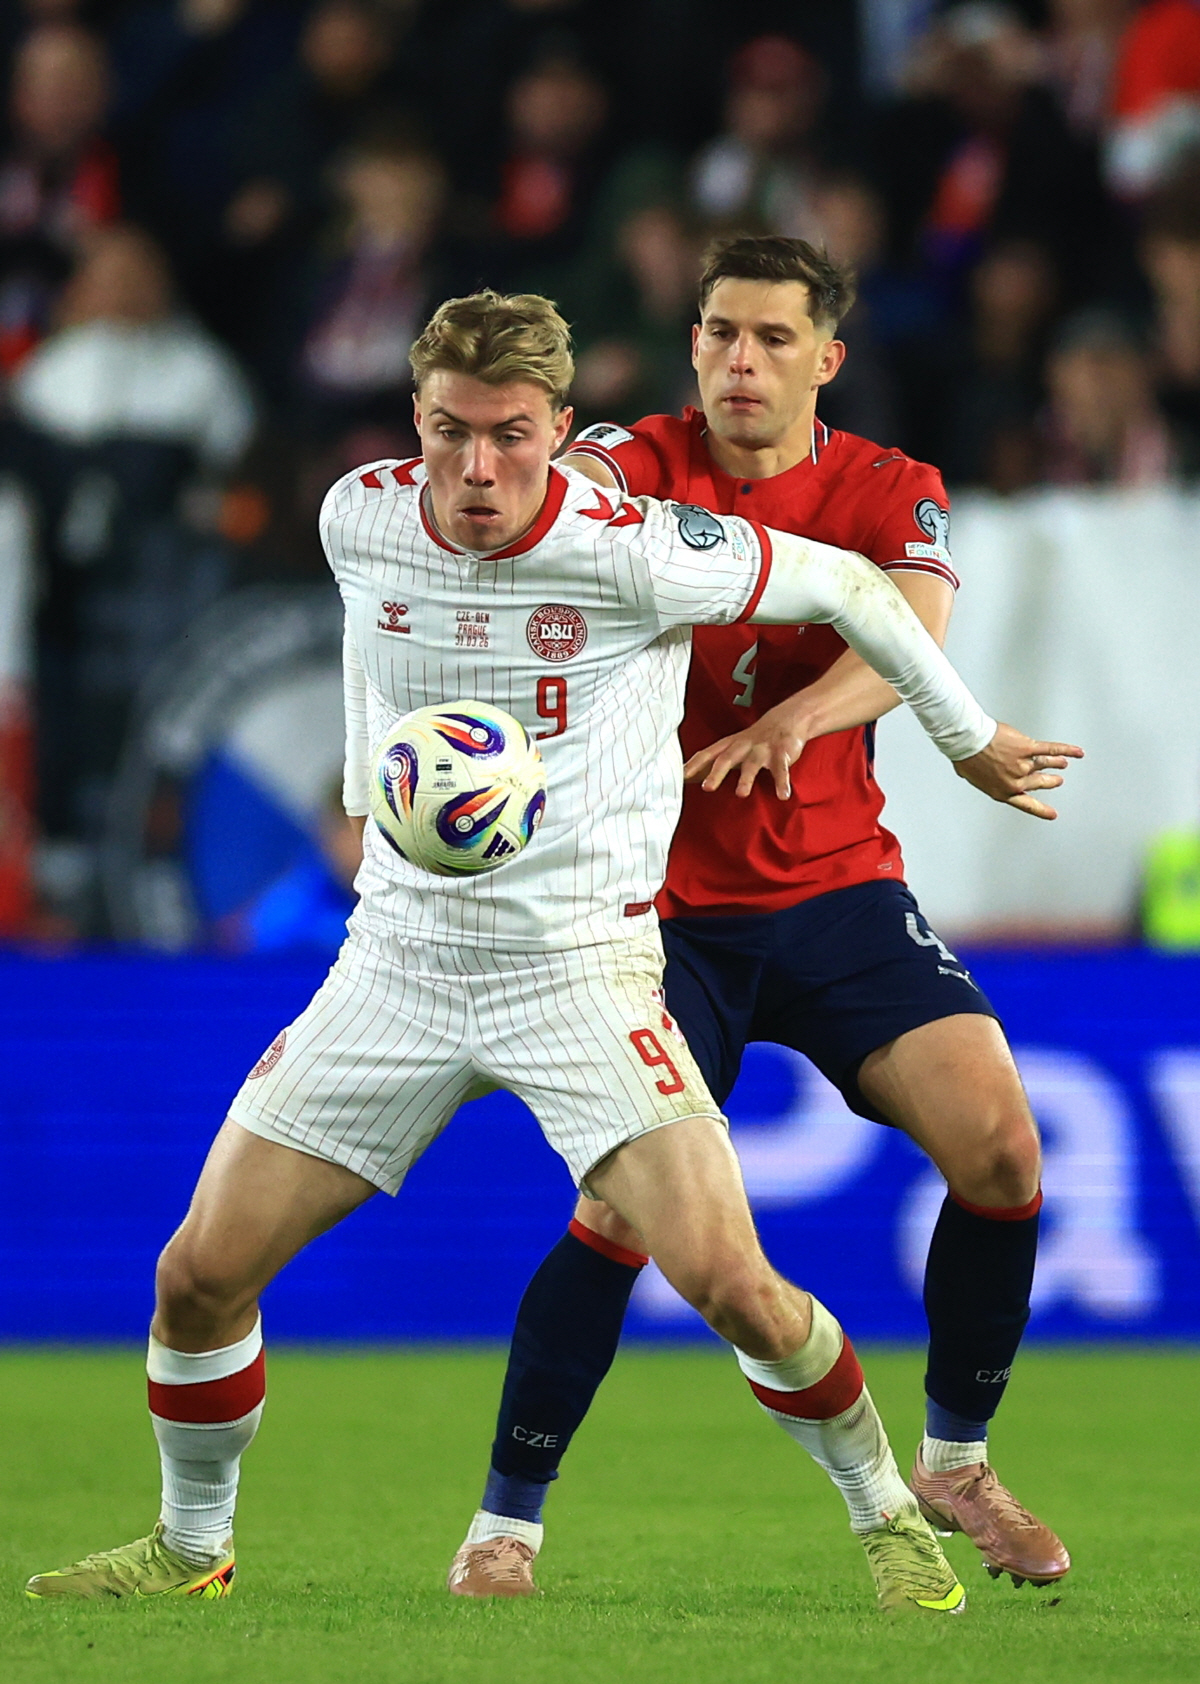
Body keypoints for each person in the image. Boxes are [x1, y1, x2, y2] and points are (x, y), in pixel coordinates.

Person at [25, 288, 1076, 1614]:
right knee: (196, 1276)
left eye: (510, 435)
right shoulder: (358, 516)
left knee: (736, 1287)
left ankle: (887, 1514)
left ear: (559, 429)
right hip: (396, 968)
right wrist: (368, 785)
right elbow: (372, 645)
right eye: (451, 432)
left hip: (580, 974)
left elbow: (859, 587)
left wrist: (967, 738)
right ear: (415, 420)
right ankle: (192, 1548)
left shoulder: (635, 548)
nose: (478, 468)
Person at [448, 237, 1077, 1601]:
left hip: (838, 892)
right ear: (692, 346)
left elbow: (910, 626)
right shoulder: (633, 465)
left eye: (775, 338)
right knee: (618, 1213)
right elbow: (550, 509)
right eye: (722, 333)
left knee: (1003, 1150)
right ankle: (506, 1525)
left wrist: (799, 716)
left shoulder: (891, 487)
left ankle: (958, 1462)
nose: (743, 360)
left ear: (826, 359)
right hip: (657, 912)